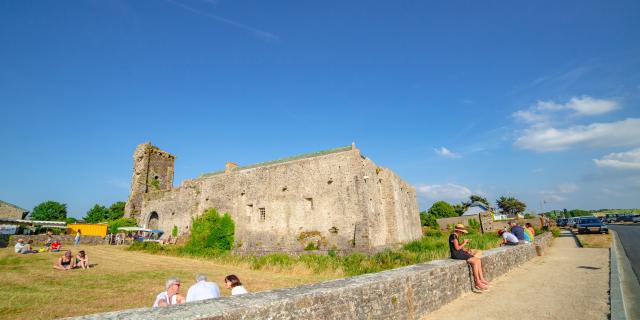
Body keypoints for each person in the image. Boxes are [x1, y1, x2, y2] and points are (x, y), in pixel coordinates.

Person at [448, 224, 490, 291]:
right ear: (459, 231)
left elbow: (458, 247)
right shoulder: (453, 236)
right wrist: (464, 242)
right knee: (475, 261)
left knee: (478, 260)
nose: (462, 233)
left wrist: (465, 249)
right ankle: (477, 282)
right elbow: (457, 248)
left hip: (459, 253)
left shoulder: (455, 236)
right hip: (456, 255)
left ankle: (481, 279)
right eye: (462, 232)